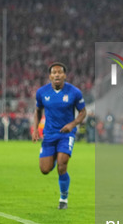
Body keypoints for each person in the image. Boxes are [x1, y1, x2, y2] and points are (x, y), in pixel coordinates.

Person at [32, 62, 86, 209]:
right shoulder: (42, 92)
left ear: (64, 75)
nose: (57, 75)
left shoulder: (74, 92)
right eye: (54, 73)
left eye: (60, 72)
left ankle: (63, 199)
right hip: (49, 134)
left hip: (66, 134)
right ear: (50, 76)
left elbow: (83, 112)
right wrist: (36, 129)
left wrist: (72, 125)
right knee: (45, 170)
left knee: (62, 165)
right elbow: (37, 110)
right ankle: (54, 156)